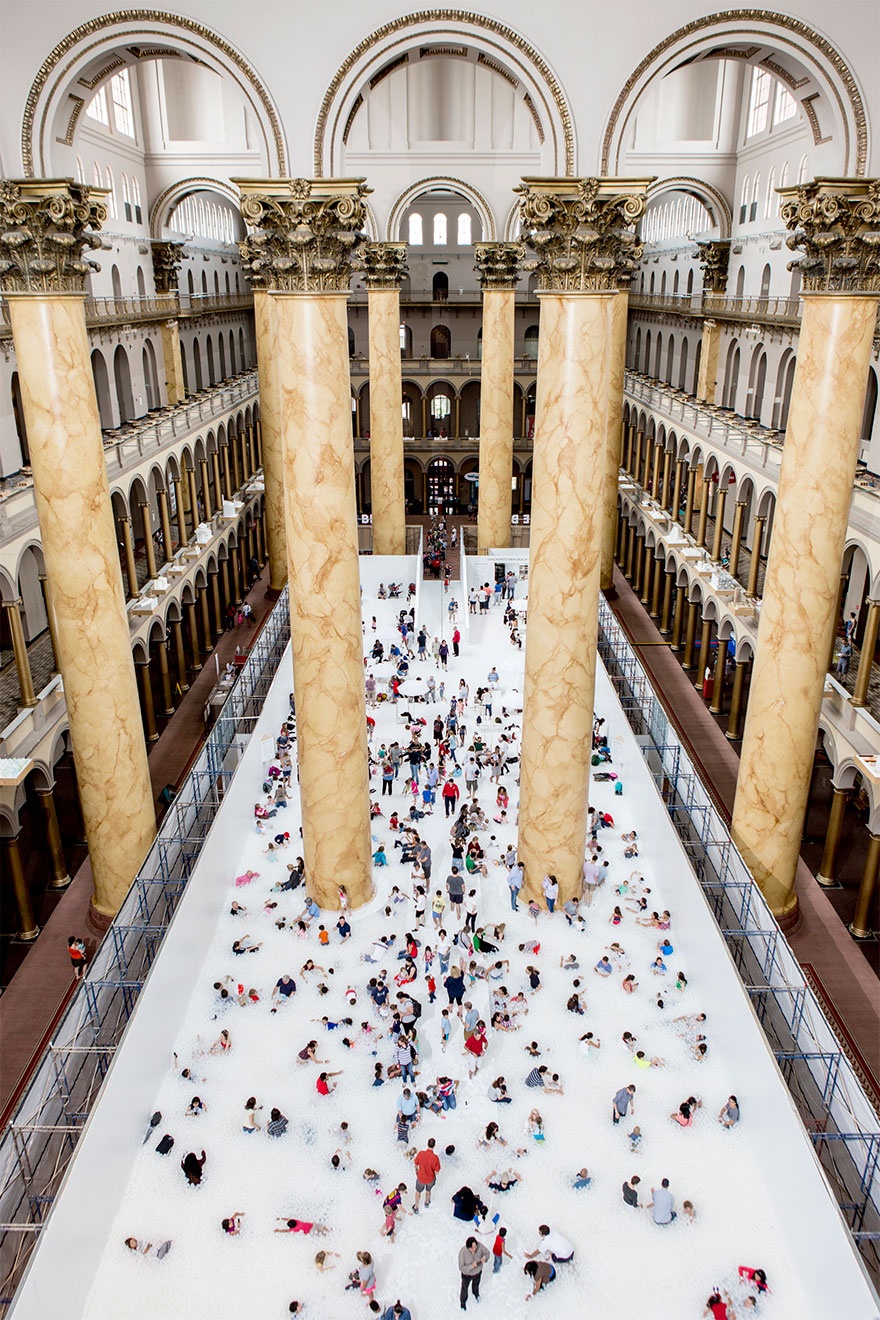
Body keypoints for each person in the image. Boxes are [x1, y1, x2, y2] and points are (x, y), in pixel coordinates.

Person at [458, 1235, 490, 1311]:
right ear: (468, 1248)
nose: (475, 1249)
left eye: (475, 1246)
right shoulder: (462, 1253)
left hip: (478, 1272)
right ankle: (463, 1302)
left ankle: (475, 1293)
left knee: (476, 1284)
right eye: (473, 1248)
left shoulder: (480, 1246)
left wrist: (485, 1259)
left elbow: (487, 1253)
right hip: (467, 1275)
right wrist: (471, 1266)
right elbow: (461, 1268)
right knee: (464, 1288)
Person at [413, 1137, 440, 1211]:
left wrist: (417, 1171)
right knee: (428, 1191)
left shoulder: (421, 1153)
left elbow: (415, 1164)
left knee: (418, 1192)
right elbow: (437, 1172)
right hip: (430, 1179)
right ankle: (427, 1202)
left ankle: (416, 1206)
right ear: (434, 1145)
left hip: (420, 1178)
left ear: (427, 1144)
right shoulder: (435, 1158)